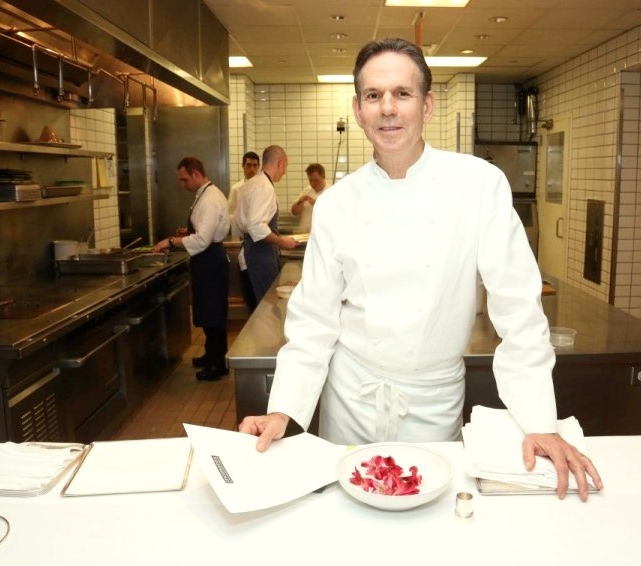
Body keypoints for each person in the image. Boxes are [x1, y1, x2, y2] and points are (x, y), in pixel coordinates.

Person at [238, 38, 603, 501]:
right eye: (373, 96)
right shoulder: (336, 204)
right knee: (347, 515)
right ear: (358, 109)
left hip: (432, 401)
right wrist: (283, 410)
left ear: (427, 105)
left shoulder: (477, 185)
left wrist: (539, 422)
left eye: (402, 94)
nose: (387, 108)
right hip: (350, 399)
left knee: (431, 517)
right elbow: (313, 323)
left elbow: (518, 309)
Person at [153, 157, 230, 382]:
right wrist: (185, 234)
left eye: (184, 179)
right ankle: (211, 355)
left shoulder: (210, 200)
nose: (182, 185)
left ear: (196, 173)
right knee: (207, 311)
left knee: (213, 313)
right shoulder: (204, 195)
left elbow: (203, 240)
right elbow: (201, 232)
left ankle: (218, 364)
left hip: (210, 261)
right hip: (206, 260)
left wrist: (171, 241)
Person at [233, 145, 297, 304]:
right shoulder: (264, 187)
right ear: (280, 162)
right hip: (260, 254)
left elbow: (241, 221)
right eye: (285, 167)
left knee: (259, 303)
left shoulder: (251, 183)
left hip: (253, 250)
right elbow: (256, 226)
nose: (285, 171)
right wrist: (282, 241)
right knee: (266, 305)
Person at [227, 151, 261, 312]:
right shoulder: (237, 189)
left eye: (255, 165)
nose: (252, 169)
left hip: (258, 241)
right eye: (249, 165)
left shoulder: (264, 186)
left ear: (259, 166)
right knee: (246, 285)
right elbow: (230, 213)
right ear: (243, 166)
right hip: (242, 238)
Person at [289, 163, 331, 233]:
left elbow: (334, 216)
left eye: (316, 180)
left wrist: (316, 204)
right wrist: (300, 201)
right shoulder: (307, 190)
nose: (313, 184)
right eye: (310, 180)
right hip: (304, 234)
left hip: (322, 236)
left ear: (323, 177)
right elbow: (294, 212)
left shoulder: (331, 192)